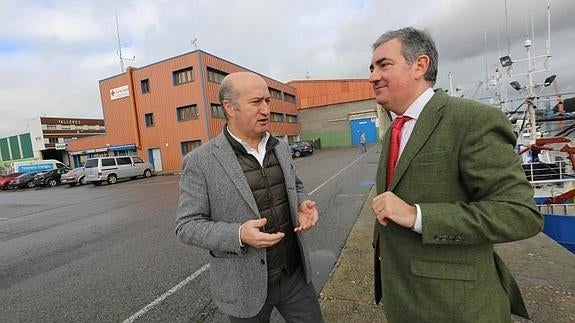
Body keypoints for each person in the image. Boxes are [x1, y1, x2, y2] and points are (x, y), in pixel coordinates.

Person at [368, 27, 543, 323]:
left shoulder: (471, 120)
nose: (373, 76)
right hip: (404, 297)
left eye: (384, 65)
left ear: (419, 66)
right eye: (371, 68)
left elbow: (520, 214)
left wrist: (417, 215)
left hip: (456, 306)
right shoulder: (394, 131)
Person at [175, 71, 324, 323]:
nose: (266, 109)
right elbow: (186, 226)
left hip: (294, 275)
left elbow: (296, 185)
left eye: (267, 101)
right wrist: (238, 234)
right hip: (245, 286)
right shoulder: (200, 161)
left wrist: (301, 203)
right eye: (256, 102)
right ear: (229, 107)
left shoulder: (282, 147)